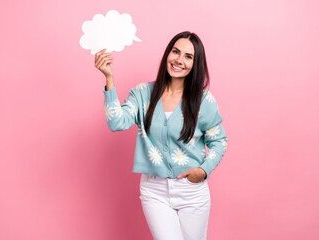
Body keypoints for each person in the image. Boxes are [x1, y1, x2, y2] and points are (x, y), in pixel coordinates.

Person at [95, 31, 228, 240]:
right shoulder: (142, 93)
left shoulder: (204, 100)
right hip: (154, 190)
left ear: (195, 64)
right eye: (175, 52)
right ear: (168, 54)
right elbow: (116, 122)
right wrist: (109, 78)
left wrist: (203, 170)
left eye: (188, 56)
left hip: (191, 192)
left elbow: (219, 141)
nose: (179, 60)